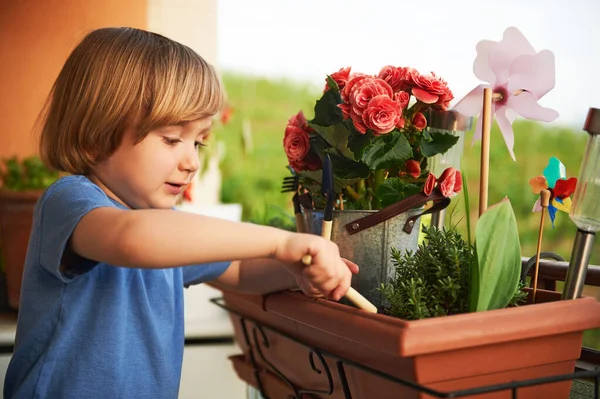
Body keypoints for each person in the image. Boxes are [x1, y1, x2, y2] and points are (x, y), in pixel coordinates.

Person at [3, 27, 357, 398]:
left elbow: (237, 268)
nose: (191, 162)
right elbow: (133, 238)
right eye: (172, 139)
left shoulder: (166, 231)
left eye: (199, 142)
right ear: (95, 135)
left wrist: (295, 267)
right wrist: (279, 242)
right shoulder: (71, 201)